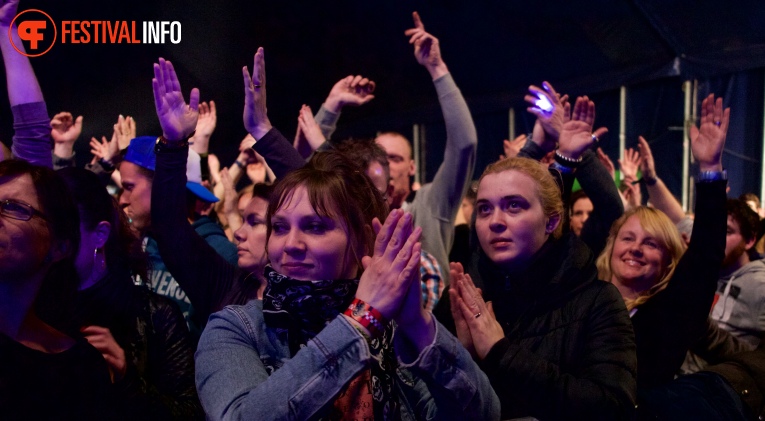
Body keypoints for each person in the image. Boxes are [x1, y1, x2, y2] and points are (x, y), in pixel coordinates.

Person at [195, 149, 499, 420]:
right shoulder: (236, 328)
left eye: (315, 227)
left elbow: (482, 414)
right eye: (280, 227)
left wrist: (417, 323)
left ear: (364, 240)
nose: (291, 244)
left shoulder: (390, 333)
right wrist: (358, 322)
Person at [0, 1, 113, 417]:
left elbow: (31, 137)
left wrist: (8, 32)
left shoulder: (77, 367)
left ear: (61, 246)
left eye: (10, 206)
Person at [317, 12, 478, 286]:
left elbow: (464, 145)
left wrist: (437, 68)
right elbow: (309, 169)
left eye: (394, 158)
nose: (385, 168)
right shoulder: (350, 216)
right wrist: (331, 106)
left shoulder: (429, 206)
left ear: (412, 167)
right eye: (378, 159)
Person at [596, 93, 729, 389]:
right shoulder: (585, 297)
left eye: (651, 243)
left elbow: (706, 254)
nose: (635, 248)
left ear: (669, 259)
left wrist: (709, 167)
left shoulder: (668, 314)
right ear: (612, 246)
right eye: (628, 238)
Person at [58, 167, 203, 420]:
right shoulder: (38, 305)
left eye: (64, 229)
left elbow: (189, 413)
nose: (52, 241)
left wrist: (127, 377)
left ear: (100, 235)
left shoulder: (154, 316)